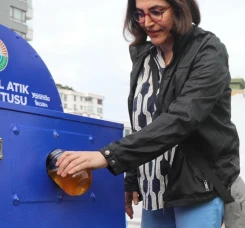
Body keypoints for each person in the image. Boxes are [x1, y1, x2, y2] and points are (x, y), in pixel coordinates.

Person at [55, 0, 241, 227]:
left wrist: (107, 156)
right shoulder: (144, 58)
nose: (147, 22)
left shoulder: (208, 50)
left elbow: (182, 119)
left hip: (197, 189)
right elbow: (142, 124)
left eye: (156, 12)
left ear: (181, 8)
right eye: (139, 14)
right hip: (154, 192)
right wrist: (131, 179)